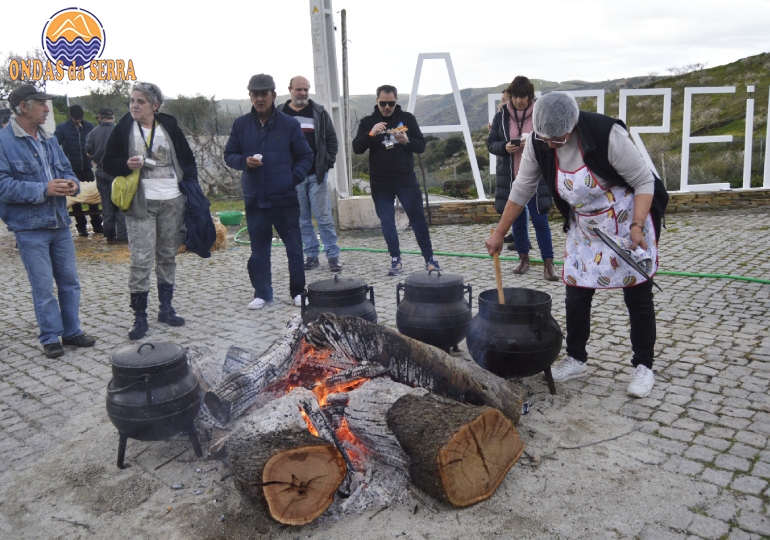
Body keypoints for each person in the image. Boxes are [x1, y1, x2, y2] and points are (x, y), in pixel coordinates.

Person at [485, 92, 667, 398]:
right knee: (576, 294)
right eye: (546, 140)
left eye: (558, 139)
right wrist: (500, 232)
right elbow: (522, 188)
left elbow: (643, 181)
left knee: (638, 295)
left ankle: (643, 366)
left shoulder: (606, 134)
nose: (552, 145)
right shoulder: (538, 143)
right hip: (584, 225)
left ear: (573, 124)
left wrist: (637, 225)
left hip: (624, 216)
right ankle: (577, 358)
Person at [0, 85, 96, 358]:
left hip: (59, 223)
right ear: (22, 106)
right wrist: (44, 188)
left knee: (70, 282)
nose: (46, 110)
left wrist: (71, 185)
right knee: (43, 287)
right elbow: (2, 185)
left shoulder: (49, 139)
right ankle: (50, 336)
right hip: (30, 228)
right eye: (41, 104)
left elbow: (67, 170)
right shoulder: (3, 142)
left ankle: (72, 332)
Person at [103, 82, 192, 340]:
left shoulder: (169, 126)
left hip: (172, 201)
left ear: (155, 105)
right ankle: (139, 317)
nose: (134, 105)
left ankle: (166, 309)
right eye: (132, 100)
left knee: (167, 255)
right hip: (141, 203)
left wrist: (190, 188)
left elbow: (187, 159)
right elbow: (108, 163)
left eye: (141, 101)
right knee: (141, 259)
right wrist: (125, 164)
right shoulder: (123, 128)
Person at [224, 74, 313, 309]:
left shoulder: (289, 124)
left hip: (285, 198)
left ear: (274, 95)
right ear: (250, 97)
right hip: (255, 199)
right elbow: (229, 155)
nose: (260, 98)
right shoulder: (241, 125)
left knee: (294, 247)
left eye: (264, 94)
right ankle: (262, 293)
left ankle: (298, 292)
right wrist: (244, 161)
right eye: (255, 94)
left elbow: (306, 156)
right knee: (258, 250)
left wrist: (291, 178)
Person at [352, 85, 439, 275]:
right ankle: (395, 259)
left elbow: (421, 146)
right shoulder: (368, 122)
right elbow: (357, 148)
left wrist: (406, 141)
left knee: (417, 219)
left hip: (405, 179)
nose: (387, 107)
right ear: (377, 101)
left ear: (396, 101)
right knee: (387, 222)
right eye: (383, 103)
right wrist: (371, 134)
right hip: (380, 181)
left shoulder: (407, 119)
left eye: (391, 103)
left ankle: (429, 259)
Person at [487, 77, 558, 281]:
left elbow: (552, 141)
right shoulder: (501, 116)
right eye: (516, 97)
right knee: (517, 220)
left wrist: (535, 144)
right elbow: (491, 143)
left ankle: (548, 263)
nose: (519, 101)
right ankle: (523, 258)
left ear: (530, 96)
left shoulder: (540, 114)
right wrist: (504, 147)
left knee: (540, 220)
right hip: (511, 177)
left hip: (537, 177)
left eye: (523, 97)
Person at [277, 76, 342, 273]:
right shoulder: (279, 113)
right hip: (293, 177)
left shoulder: (319, 112)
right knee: (302, 219)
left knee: (323, 217)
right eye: (299, 90)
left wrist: (327, 162)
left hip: (317, 174)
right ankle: (311, 255)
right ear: (290, 90)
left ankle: (333, 256)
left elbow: (331, 139)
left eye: (306, 89)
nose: (303, 93)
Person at [55, 104, 101, 236]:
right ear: (70, 116)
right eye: (76, 119)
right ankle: (81, 227)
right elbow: (55, 143)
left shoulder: (89, 127)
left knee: (92, 196)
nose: (78, 121)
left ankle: (97, 224)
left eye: (80, 119)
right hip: (71, 169)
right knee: (75, 198)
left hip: (87, 167)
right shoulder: (62, 128)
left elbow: (94, 142)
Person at [85, 107, 127, 245]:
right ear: (113, 117)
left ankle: (109, 235)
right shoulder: (120, 131)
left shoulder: (93, 132)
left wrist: (96, 158)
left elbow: (88, 152)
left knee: (106, 204)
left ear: (99, 117)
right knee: (120, 204)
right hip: (118, 171)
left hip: (101, 171)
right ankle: (122, 236)